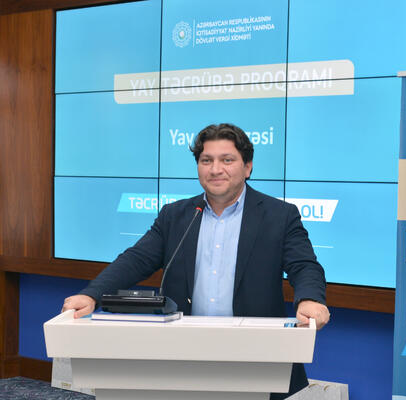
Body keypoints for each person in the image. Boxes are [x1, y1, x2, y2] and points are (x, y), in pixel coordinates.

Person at [62, 123, 330, 399]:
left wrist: (311, 298)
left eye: (227, 160)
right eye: (206, 160)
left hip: (256, 356)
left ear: (248, 167)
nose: (215, 169)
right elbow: (136, 259)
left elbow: (304, 265)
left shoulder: (279, 215)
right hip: (184, 355)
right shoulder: (175, 215)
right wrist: (92, 294)